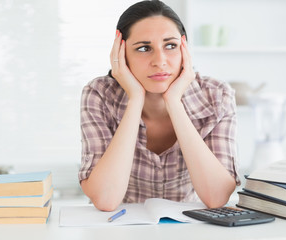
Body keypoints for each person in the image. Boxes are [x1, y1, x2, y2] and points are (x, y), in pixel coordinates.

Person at [79, 0, 240, 211]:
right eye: (144, 48)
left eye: (171, 46)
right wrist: (135, 98)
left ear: (185, 50)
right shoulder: (98, 94)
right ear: (121, 53)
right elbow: (106, 200)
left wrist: (173, 102)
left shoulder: (217, 96)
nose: (160, 60)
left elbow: (217, 197)